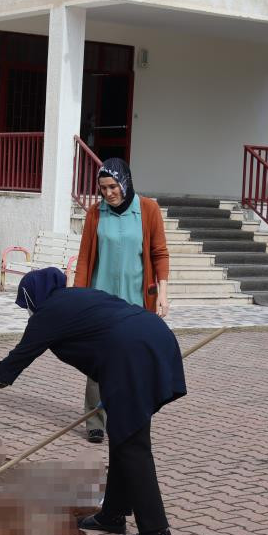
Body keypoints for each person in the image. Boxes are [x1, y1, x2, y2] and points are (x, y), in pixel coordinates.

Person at [0, 268, 186, 535]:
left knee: (132, 445)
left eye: (27, 305)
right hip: (150, 338)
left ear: (33, 297)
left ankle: (156, 533)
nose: (28, 311)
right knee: (123, 436)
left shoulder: (48, 313)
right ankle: (112, 515)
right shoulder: (77, 297)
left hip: (133, 354)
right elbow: (102, 339)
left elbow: (18, 358)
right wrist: (112, 391)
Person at [73, 158, 170, 444]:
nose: (108, 193)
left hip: (135, 303)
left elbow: (159, 253)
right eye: (103, 188)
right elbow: (84, 258)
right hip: (100, 301)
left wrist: (163, 292)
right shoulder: (95, 213)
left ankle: (127, 414)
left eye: (113, 186)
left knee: (132, 361)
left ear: (125, 182)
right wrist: (77, 297)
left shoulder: (148, 210)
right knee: (98, 360)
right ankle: (95, 420)